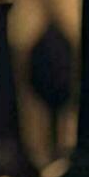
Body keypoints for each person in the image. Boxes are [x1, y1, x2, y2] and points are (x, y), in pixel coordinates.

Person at [27, 10, 75, 166]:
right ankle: (56, 151)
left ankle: (52, 151)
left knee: (51, 123)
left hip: (49, 88)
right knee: (56, 123)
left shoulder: (43, 40)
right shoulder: (62, 38)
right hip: (58, 87)